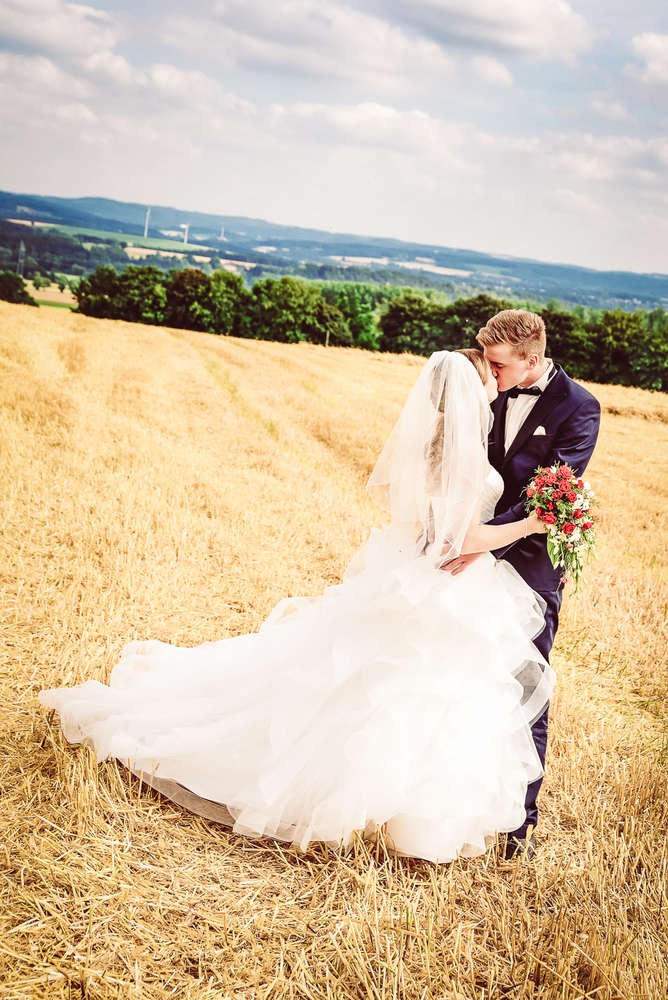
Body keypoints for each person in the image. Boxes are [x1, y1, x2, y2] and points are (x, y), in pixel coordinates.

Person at [39, 349, 556, 864]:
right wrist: (534, 523)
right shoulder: (460, 453)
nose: (496, 380)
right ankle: (388, 813)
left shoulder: (441, 443)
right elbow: (464, 535)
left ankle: (406, 813)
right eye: (488, 373)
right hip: (441, 583)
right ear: (469, 391)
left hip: (424, 575)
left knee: (398, 695)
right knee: (408, 695)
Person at [442, 312, 601, 858]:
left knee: (526, 684)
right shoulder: (489, 392)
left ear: (532, 358)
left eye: (498, 362)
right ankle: (453, 802)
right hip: (470, 554)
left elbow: (549, 493)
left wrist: (481, 543)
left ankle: (518, 825)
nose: (487, 370)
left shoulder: (579, 409)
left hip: (526, 567)